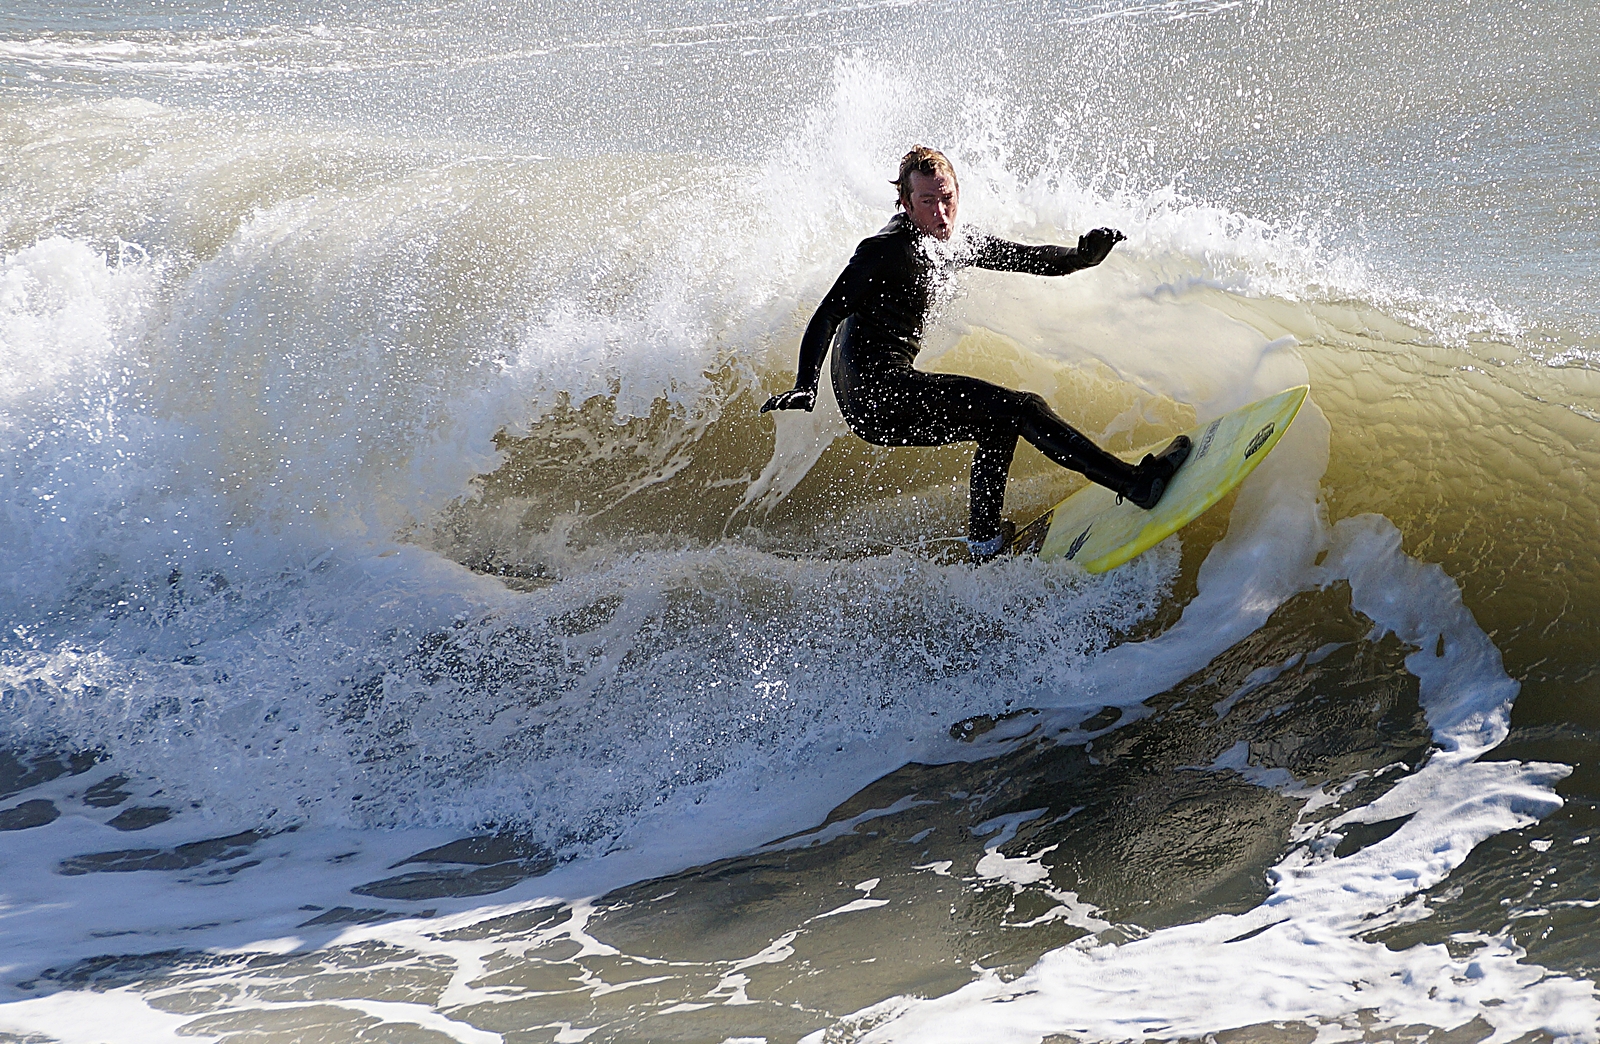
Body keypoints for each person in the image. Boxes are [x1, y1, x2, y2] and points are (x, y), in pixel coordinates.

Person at [762, 145, 1190, 561]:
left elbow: (1026, 258)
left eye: (947, 198)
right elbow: (827, 314)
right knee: (1023, 408)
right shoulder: (883, 251)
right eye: (927, 201)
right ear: (907, 204)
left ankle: (985, 541)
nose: (941, 212)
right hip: (877, 393)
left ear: (957, 193)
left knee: (997, 424)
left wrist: (1080, 258)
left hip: (880, 400)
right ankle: (1135, 484)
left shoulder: (951, 240)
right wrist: (805, 384)